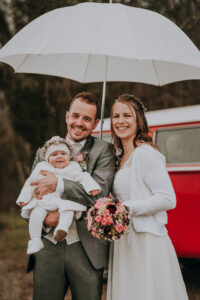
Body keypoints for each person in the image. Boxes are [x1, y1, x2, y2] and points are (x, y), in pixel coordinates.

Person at [28, 92, 116, 300]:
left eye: (87, 119)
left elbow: (99, 196)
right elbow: (31, 191)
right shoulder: (45, 150)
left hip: (87, 249)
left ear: (95, 123)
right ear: (67, 116)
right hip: (48, 245)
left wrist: (57, 183)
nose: (79, 123)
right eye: (75, 116)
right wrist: (42, 219)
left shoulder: (105, 151)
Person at [106, 94, 188, 300]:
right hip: (124, 242)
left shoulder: (146, 154)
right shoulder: (119, 158)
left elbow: (168, 198)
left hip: (147, 241)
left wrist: (127, 208)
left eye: (127, 115)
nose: (120, 121)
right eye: (116, 116)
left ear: (138, 120)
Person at [16, 136, 101, 254]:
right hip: (45, 200)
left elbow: (83, 177)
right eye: (54, 154)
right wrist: (24, 198)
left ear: (69, 156)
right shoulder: (42, 167)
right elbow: (30, 182)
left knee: (69, 210)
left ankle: (62, 229)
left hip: (65, 199)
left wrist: (92, 187)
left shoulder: (73, 166)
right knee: (36, 213)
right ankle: (35, 240)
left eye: (63, 153)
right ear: (47, 158)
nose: (59, 156)